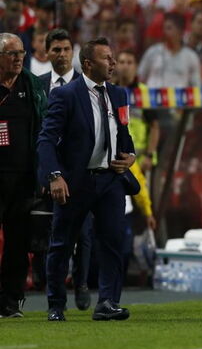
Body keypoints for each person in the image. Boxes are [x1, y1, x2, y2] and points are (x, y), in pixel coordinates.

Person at [37, 37, 140, 321]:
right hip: (76, 181)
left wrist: (130, 155)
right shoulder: (66, 95)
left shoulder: (119, 95)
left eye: (112, 57)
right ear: (88, 64)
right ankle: (56, 305)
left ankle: (107, 302)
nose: (113, 63)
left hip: (110, 180)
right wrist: (54, 176)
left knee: (112, 242)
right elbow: (46, 139)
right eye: (107, 58)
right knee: (62, 243)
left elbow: (124, 134)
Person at [38, 28, 95, 311]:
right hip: (50, 170)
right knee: (53, 235)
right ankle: (50, 291)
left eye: (65, 49)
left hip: (80, 172)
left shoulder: (87, 86)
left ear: (72, 52)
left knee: (83, 233)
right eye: (55, 50)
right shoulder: (37, 85)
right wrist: (44, 172)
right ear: (45, 53)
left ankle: (82, 282)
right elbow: (38, 134)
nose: (61, 55)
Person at [0, 33, 46, 318]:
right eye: (11, 54)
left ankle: (9, 299)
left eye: (21, 53)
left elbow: (43, 128)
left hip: (23, 178)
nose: (18, 58)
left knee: (18, 242)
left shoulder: (31, 85)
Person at [138, 12, 202, 88]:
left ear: (180, 32)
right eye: (164, 28)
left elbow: (196, 86)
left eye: (169, 28)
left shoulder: (191, 56)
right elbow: (140, 78)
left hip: (179, 98)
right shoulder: (152, 52)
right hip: (152, 97)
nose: (164, 32)